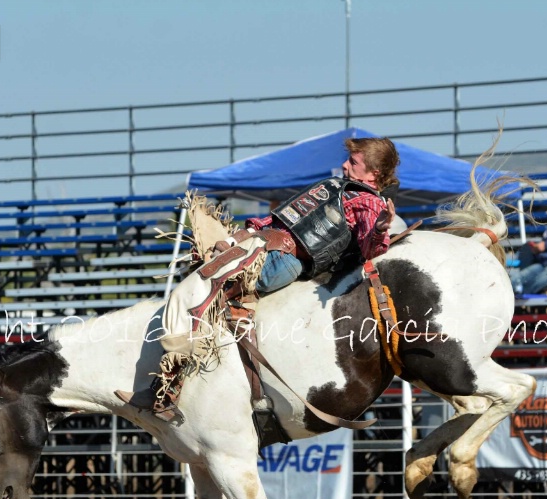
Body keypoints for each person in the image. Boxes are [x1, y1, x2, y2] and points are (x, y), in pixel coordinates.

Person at [126, 137, 401, 420]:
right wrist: (236, 238)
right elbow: (281, 219)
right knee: (199, 293)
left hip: (278, 258)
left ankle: (169, 387)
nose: (344, 164)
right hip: (266, 248)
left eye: (353, 162)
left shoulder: (370, 203)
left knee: (192, 294)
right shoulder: (337, 188)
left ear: (374, 174)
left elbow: (371, 248)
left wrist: (380, 229)